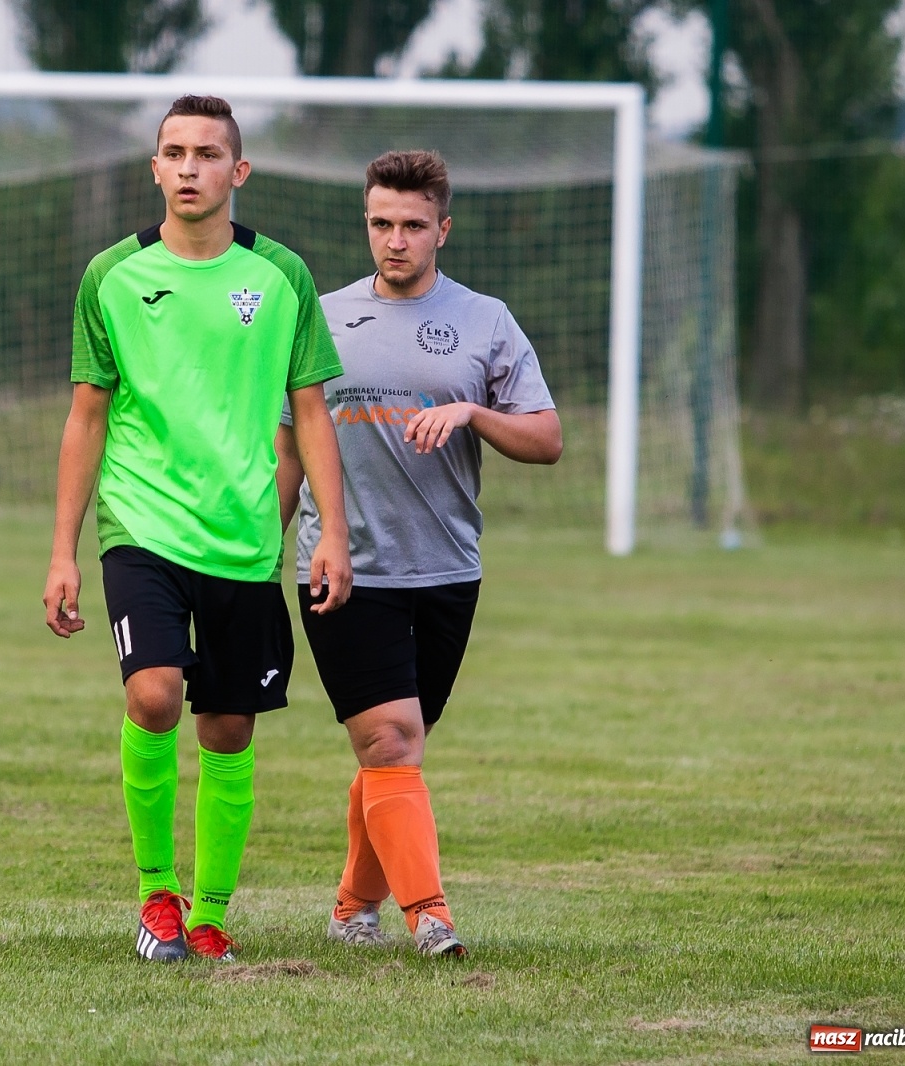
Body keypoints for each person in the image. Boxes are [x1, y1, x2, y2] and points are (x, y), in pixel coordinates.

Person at [43, 95, 352, 963]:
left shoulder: (283, 277)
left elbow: (313, 415)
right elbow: (85, 417)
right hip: (139, 525)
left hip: (246, 537)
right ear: (153, 168)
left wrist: (330, 533)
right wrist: (63, 552)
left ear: (238, 172)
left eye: (207, 154)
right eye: (173, 152)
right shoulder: (112, 275)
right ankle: (157, 898)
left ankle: (212, 911)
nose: (189, 167)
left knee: (227, 726)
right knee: (154, 693)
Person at [276, 149, 563, 957]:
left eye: (410, 225)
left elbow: (546, 439)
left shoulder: (486, 320)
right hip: (340, 567)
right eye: (380, 224)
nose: (394, 240)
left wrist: (473, 412)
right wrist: (257, 553)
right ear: (365, 224)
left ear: (443, 228)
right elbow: (288, 444)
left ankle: (347, 909)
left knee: (393, 754)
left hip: (446, 570)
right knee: (391, 741)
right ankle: (430, 916)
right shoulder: (319, 317)